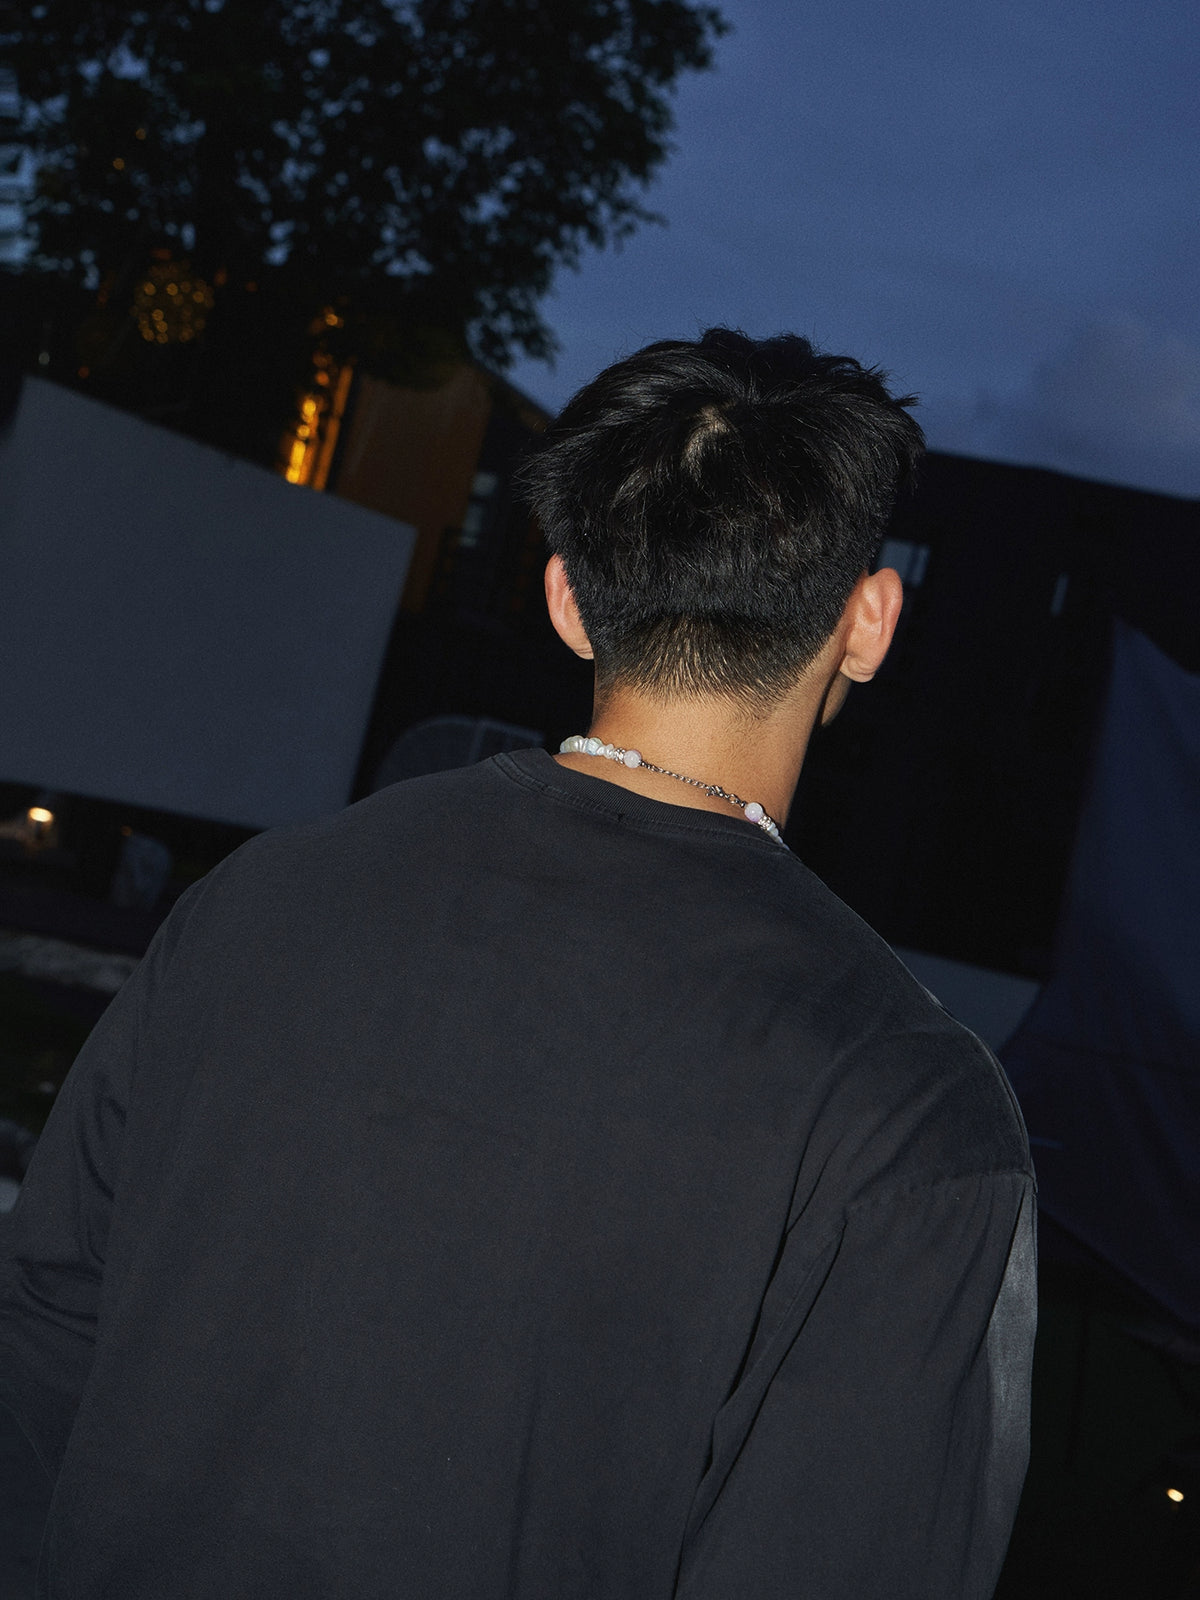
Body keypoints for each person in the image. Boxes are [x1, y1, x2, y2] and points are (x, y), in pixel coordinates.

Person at [0, 328, 1035, 1599]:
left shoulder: (254, 900)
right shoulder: (911, 1104)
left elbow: (42, 1342)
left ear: (566, 598)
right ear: (868, 623)